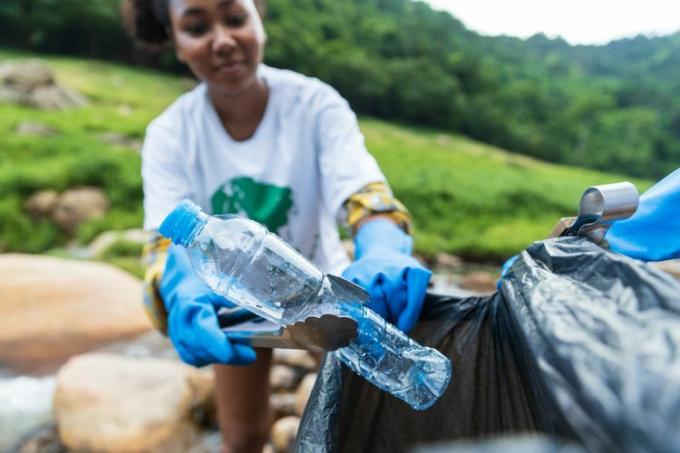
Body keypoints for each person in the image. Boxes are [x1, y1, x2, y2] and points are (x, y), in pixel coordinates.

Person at [122, 0, 431, 451]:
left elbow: (367, 196)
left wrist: (383, 248)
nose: (223, 40)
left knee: (370, 421)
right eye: (196, 27)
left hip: (324, 289)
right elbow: (164, 243)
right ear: (175, 41)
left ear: (259, 18)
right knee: (243, 436)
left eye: (235, 18)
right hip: (235, 305)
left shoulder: (314, 103)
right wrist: (179, 290)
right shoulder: (172, 132)